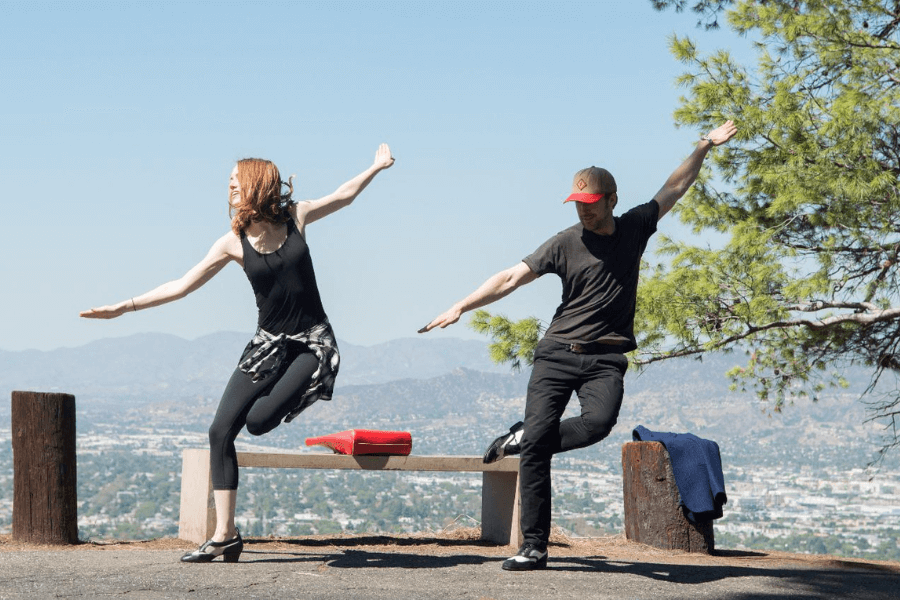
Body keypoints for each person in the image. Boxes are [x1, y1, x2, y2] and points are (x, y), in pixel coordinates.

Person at [420, 122, 737, 571]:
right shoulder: (565, 243)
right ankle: (534, 546)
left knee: (597, 423)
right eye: (578, 205)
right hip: (556, 353)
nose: (583, 213)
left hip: (606, 357)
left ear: (611, 200)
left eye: (591, 204)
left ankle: (525, 435)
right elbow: (511, 277)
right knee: (538, 451)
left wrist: (705, 145)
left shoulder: (635, 228)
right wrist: (461, 306)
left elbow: (676, 186)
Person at [81, 143, 395, 562]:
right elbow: (181, 284)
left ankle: (228, 528)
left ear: (256, 183)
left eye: (235, 180)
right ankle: (225, 535)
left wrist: (375, 166)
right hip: (266, 346)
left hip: (312, 344)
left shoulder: (296, 216)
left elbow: (344, 195)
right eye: (228, 182)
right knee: (220, 430)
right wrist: (125, 306)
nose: (229, 187)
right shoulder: (232, 242)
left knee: (261, 422)